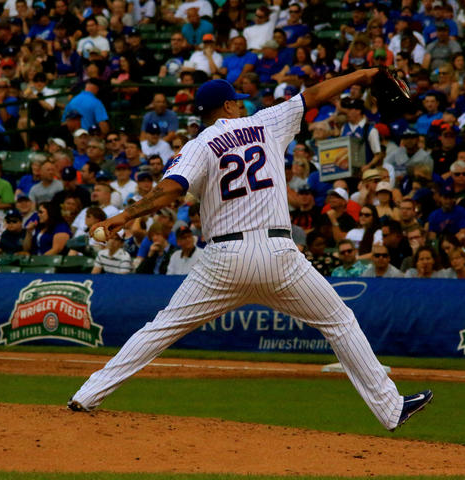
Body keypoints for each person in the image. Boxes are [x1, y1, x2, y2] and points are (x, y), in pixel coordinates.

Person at [69, 74, 433, 430]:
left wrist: (123, 215)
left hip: (224, 260)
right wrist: (365, 73)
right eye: (236, 101)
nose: (242, 105)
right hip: (279, 255)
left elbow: (169, 191)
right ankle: (390, 408)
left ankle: (88, 393)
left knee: (160, 329)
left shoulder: (200, 143)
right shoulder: (266, 122)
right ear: (227, 105)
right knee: (339, 322)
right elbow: (317, 94)